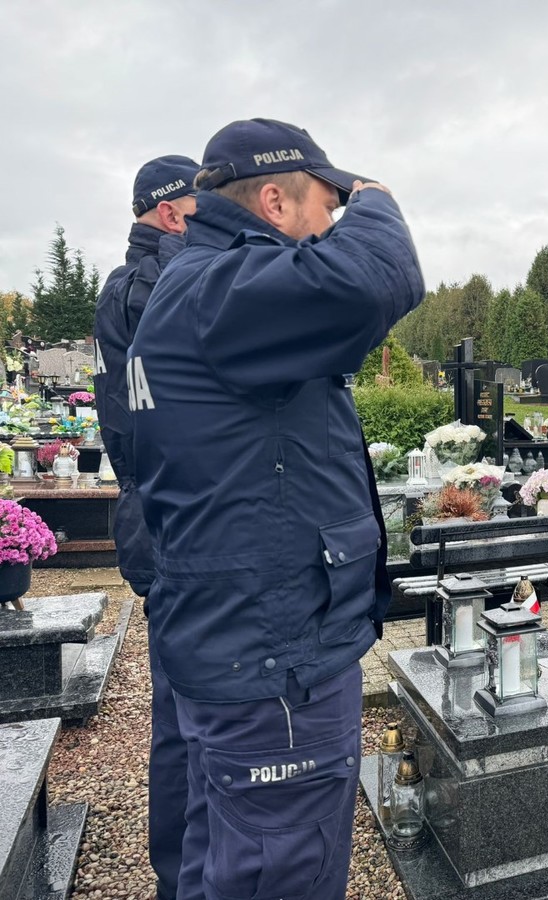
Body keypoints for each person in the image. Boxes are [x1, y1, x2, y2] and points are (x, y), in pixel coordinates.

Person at [129, 118, 423, 900]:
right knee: (278, 873)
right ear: (273, 202)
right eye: (321, 213)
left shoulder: (195, 287)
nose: (328, 230)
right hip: (273, 661)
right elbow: (372, 281)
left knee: (219, 862)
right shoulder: (225, 288)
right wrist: (374, 199)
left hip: (234, 638)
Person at [93, 153, 201, 900]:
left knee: (186, 711)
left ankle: (188, 870)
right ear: (170, 212)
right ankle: (184, 876)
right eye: (204, 206)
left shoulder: (131, 283)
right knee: (187, 718)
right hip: (173, 519)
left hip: (157, 513)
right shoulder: (154, 284)